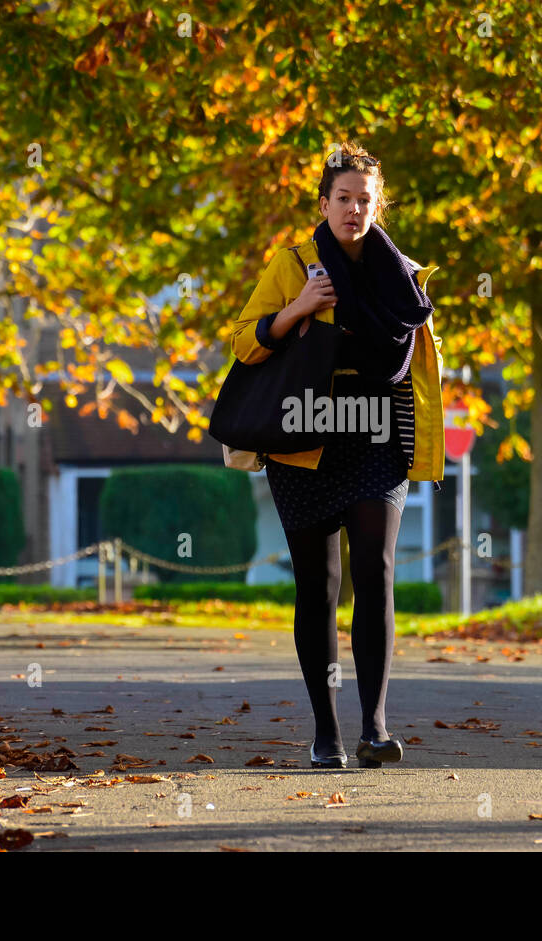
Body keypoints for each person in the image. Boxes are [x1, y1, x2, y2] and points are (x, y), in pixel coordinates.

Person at [229, 143, 445, 769]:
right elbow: (244, 342)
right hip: (306, 430)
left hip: (379, 429)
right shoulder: (292, 264)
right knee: (318, 585)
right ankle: (327, 734)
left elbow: (417, 360)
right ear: (324, 204)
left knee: (375, 571)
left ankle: (375, 727)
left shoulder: (402, 275)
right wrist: (299, 308)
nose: (354, 209)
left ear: (379, 207)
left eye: (365, 200)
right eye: (343, 198)